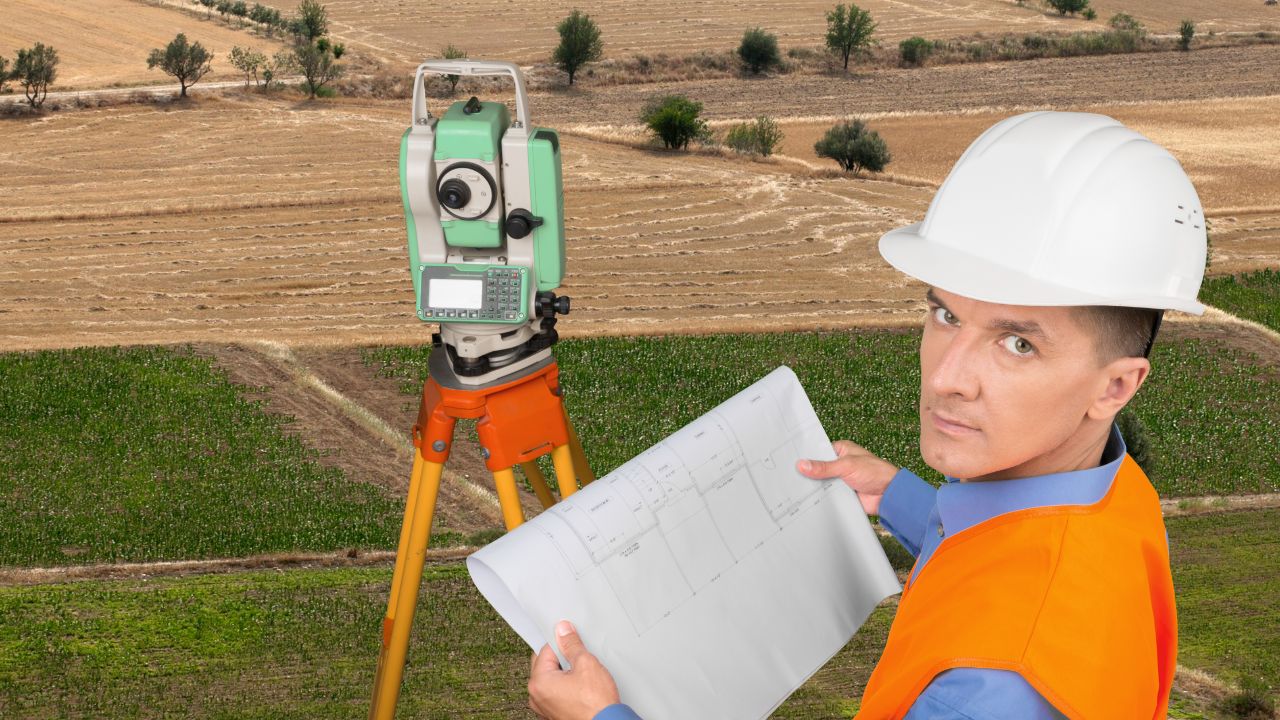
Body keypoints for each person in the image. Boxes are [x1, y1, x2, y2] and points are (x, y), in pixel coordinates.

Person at [526, 110, 1207, 720]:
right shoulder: (1116, 500)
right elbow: (1018, 552)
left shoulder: (984, 694)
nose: (945, 378)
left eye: (1018, 344)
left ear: (1115, 387)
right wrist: (898, 498)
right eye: (946, 315)